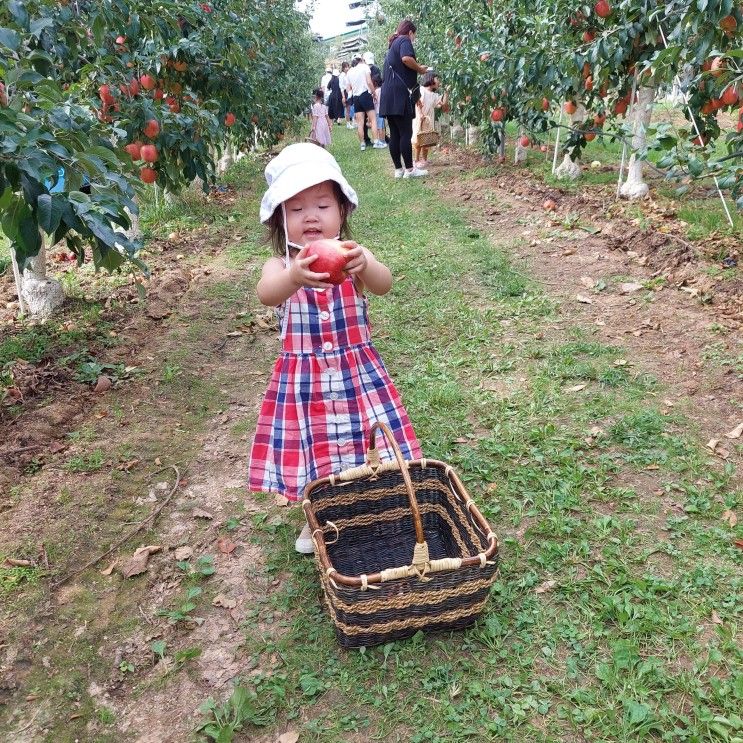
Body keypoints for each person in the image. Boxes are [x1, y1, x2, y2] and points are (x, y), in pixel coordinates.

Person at [249, 143, 421, 553]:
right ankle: (318, 518)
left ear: (342, 212)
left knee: (368, 442)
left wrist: (369, 267)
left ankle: (366, 505)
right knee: (315, 449)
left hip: (354, 373)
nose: (310, 215)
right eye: (295, 209)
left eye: (323, 205)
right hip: (305, 382)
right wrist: (294, 276)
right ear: (280, 220)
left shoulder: (351, 257)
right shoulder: (280, 266)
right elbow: (266, 294)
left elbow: (384, 284)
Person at [379, 19, 432, 178]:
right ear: (410, 32)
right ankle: (410, 170)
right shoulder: (404, 40)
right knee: (405, 133)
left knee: (395, 133)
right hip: (399, 94)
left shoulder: (392, 46)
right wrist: (420, 69)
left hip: (387, 94)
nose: (414, 39)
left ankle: (398, 170)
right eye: (414, 35)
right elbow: (406, 59)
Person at [346, 54, 387, 151]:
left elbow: (348, 88)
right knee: (373, 120)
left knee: (360, 123)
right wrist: (374, 93)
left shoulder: (350, 71)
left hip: (356, 98)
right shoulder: (364, 67)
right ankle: (376, 142)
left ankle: (362, 144)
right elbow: (369, 82)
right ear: (362, 59)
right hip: (365, 94)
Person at [412, 71, 448, 169]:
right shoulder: (421, 90)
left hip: (428, 119)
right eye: (437, 79)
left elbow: (444, 107)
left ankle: (424, 159)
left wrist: (446, 93)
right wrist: (420, 114)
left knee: (427, 139)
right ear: (431, 79)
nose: (439, 82)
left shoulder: (434, 95)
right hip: (420, 118)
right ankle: (416, 160)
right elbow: (416, 102)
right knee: (418, 139)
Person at [339, 62, 352, 128]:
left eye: (348, 67)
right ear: (343, 68)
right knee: (347, 108)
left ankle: (349, 123)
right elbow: (341, 87)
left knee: (349, 108)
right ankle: (348, 123)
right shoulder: (342, 75)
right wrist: (343, 96)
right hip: (345, 92)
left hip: (349, 91)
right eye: (346, 67)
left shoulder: (348, 74)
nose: (347, 68)